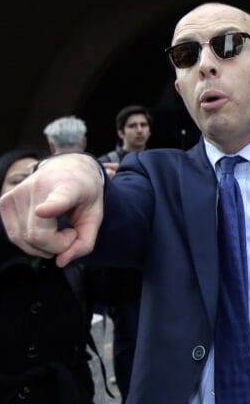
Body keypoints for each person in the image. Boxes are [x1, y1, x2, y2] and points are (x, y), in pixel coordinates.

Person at [0, 3, 250, 404]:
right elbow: (117, 208)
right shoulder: (155, 178)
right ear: (180, 88)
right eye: (186, 55)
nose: (206, 65)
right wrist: (79, 170)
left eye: (228, 45)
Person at [0, 148, 96, 403]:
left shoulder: (72, 248)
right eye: (20, 182)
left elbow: (121, 292)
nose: (35, 189)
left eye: (42, 179)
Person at [96, 104, 153, 401]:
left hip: (147, 268)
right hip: (119, 271)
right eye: (133, 125)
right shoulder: (104, 165)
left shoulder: (155, 164)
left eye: (144, 125)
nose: (140, 130)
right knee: (128, 336)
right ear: (121, 132)